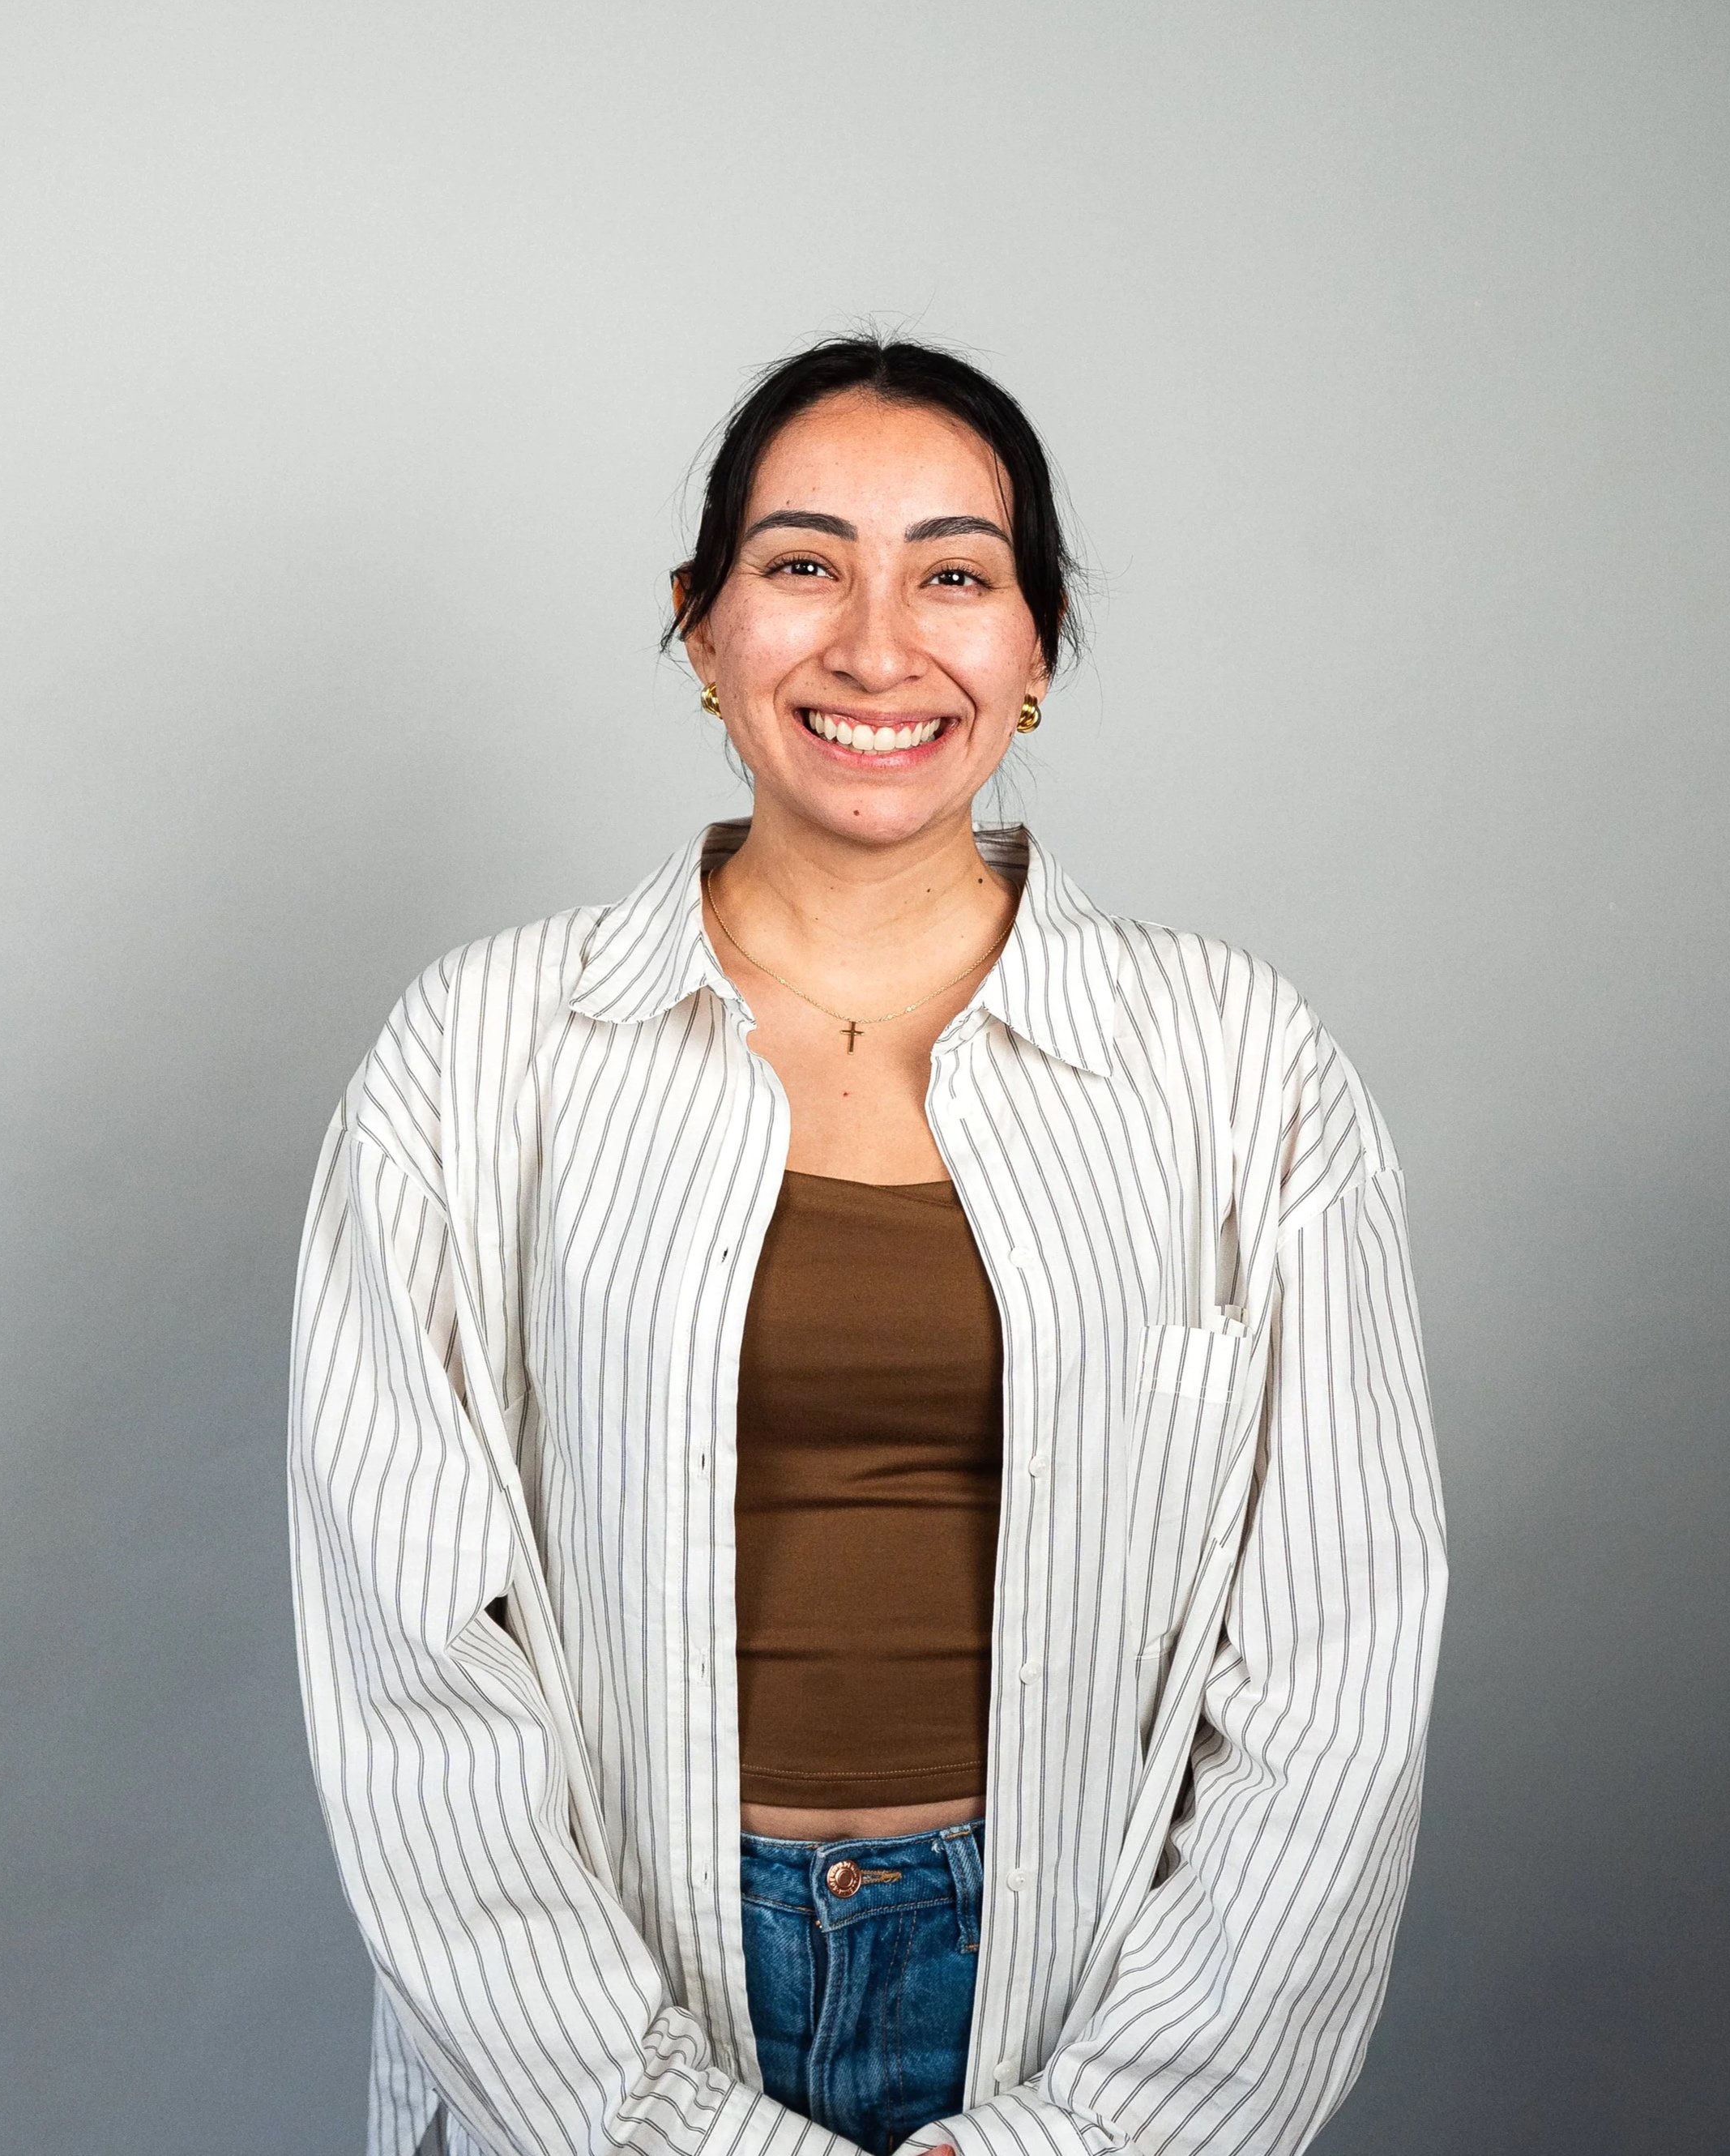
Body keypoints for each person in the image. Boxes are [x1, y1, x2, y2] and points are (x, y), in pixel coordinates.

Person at [288, 335, 1447, 2156]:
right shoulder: (477, 1052)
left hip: (1073, 1995)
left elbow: (1335, 1669)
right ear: (700, 624)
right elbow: (410, 1672)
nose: (878, 646)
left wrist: (1096, 2133)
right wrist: (652, 2124)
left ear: (1037, 648)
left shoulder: (1241, 1067)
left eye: (956, 576)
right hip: (594, 2012)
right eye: (803, 563)